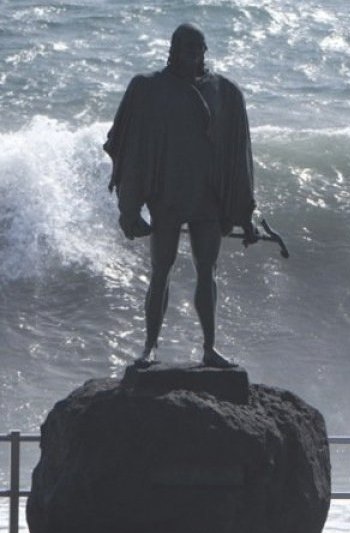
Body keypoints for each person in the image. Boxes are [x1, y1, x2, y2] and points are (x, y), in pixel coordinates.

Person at [104, 23, 260, 369]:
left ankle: (209, 348)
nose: (194, 56)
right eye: (186, 49)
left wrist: (244, 212)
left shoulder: (226, 91)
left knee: (208, 271)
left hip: (207, 200)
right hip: (167, 198)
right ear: (172, 51)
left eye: (199, 49)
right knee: (161, 270)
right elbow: (129, 148)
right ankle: (150, 347)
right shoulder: (148, 89)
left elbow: (238, 158)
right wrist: (129, 210)